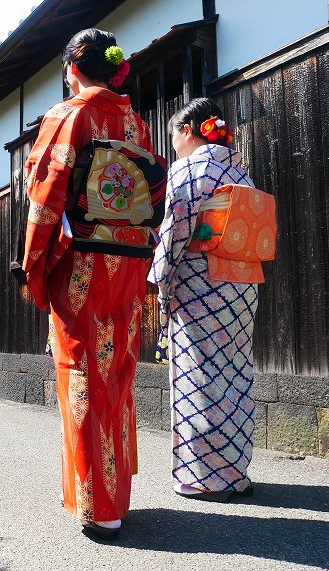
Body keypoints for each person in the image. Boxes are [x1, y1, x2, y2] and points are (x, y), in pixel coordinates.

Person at [23, 28, 165, 539]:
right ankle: (112, 492)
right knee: (118, 369)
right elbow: (150, 193)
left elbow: (46, 195)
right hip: (127, 260)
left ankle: (98, 504)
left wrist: (34, 263)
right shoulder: (134, 121)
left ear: (72, 70)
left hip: (83, 260)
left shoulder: (70, 114)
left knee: (82, 367)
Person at [148, 97, 273, 502]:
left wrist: (159, 278)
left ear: (188, 131)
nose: (173, 145)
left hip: (202, 286)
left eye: (173, 136)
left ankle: (205, 477)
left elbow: (176, 230)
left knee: (198, 377)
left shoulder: (190, 167)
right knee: (235, 374)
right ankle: (235, 472)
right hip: (242, 286)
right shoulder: (239, 170)